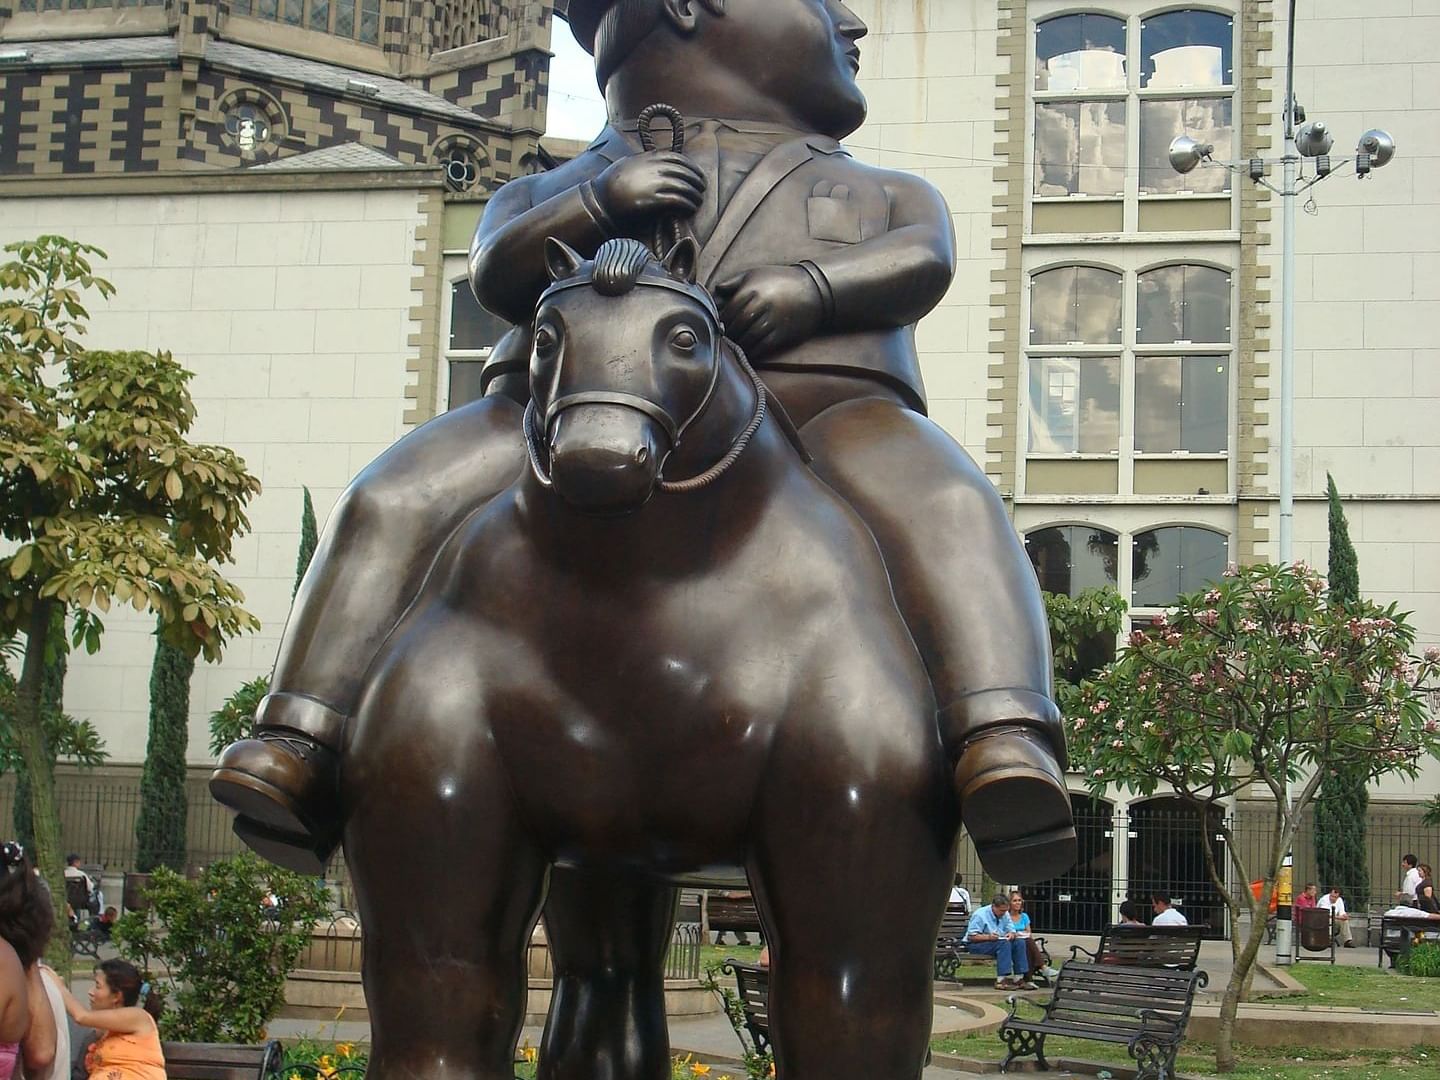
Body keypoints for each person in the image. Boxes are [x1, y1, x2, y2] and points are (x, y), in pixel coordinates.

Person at [211, 0, 1076, 887]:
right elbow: (498, 271)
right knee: (395, 495)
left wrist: (812, 287)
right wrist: (596, 201)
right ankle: (301, 738)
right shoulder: (551, 183)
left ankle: (1001, 734)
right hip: (553, 419)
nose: (851, 23)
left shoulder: (880, 190)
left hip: (829, 410)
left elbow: (922, 257)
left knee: (947, 500)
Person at [50, 959, 164, 1080]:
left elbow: (81, 1016)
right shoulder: (99, 1035)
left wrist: (58, 986)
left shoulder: (138, 1017)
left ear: (116, 996)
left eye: (97, 986)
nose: (91, 992)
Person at [964, 894, 1032, 990]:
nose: (1003, 913)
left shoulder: (1005, 914)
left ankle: (1019, 978)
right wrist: (988, 937)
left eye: (1005, 910)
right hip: (977, 945)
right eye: (1001, 911)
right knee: (1004, 944)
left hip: (998, 941)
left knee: (1019, 942)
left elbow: (1011, 929)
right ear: (993, 907)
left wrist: (1011, 934)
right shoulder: (980, 915)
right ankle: (1001, 980)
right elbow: (971, 936)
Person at [1006, 892, 1058, 982]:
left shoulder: (1024, 916)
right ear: (1009, 903)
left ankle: (1028, 980)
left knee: (1027, 944)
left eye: (1019, 900)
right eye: (1014, 901)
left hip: (1024, 942)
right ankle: (1043, 967)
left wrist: (1020, 934)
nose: (1018, 903)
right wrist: (1016, 934)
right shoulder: (1005, 917)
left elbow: (1028, 932)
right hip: (1011, 943)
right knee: (1028, 942)